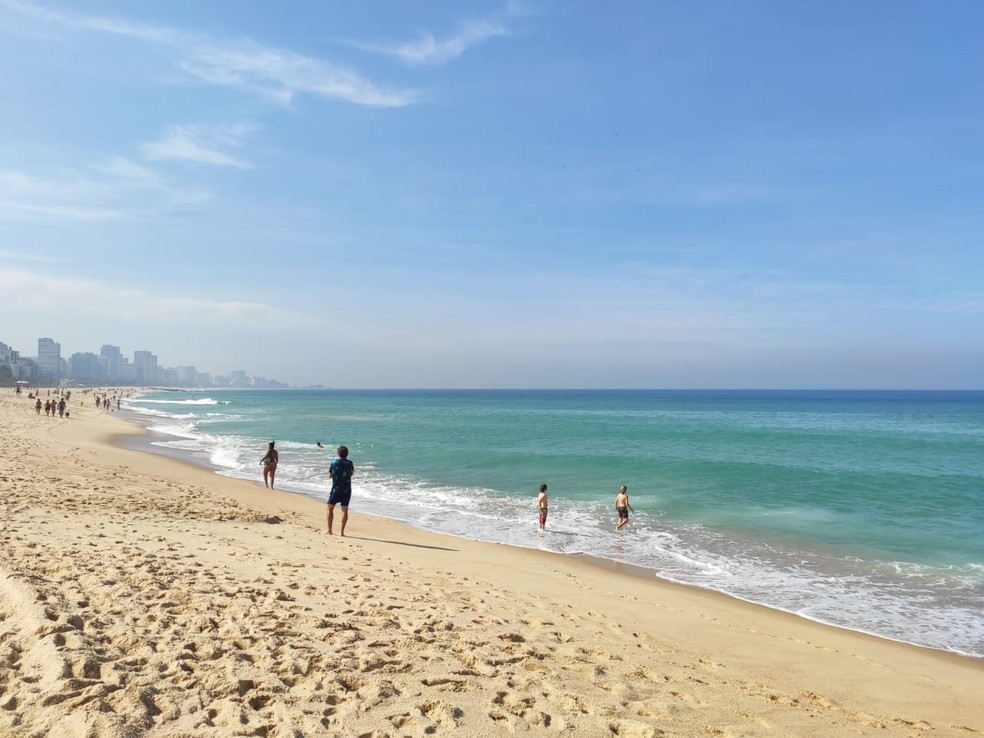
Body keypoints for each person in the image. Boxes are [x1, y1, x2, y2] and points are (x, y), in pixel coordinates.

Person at [325, 445, 355, 536]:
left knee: (330, 508)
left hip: (336, 489)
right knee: (344, 510)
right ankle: (342, 533)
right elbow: (351, 474)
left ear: (338, 453)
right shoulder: (350, 463)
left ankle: (329, 530)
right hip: (347, 489)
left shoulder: (334, 462)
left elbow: (330, 476)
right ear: (347, 454)